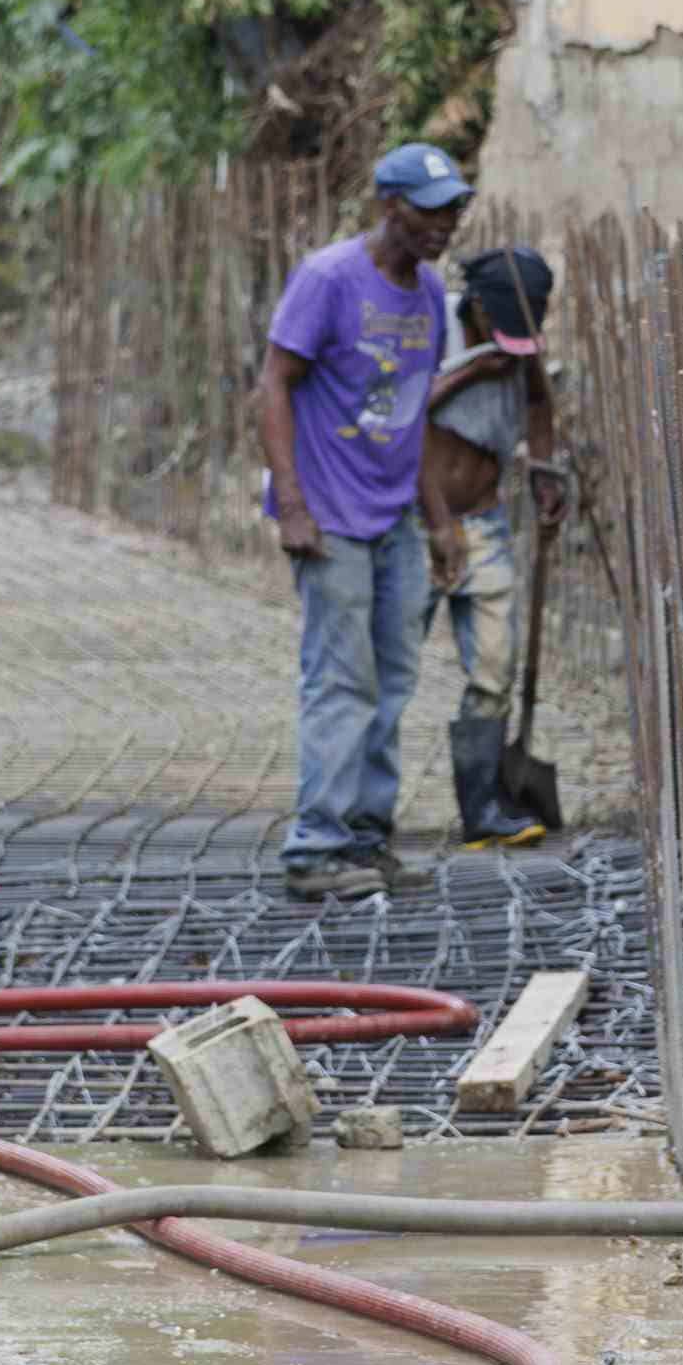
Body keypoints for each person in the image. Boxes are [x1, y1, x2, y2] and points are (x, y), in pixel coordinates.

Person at [254, 142, 472, 901]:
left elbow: (410, 418)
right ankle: (314, 848)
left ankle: (365, 835)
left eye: (454, 210)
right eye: (431, 210)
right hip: (330, 516)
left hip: (391, 517)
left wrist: (439, 520)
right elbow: (275, 385)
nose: (446, 224)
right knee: (341, 678)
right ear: (390, 207)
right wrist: (291, 503)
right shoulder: (329, 279)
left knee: (395, 677)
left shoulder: (426, 296)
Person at [426, 245, 564, 850]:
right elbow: (397, 415)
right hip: (412, 529)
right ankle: (358, 818)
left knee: (493, 669)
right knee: (381, 674)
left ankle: (481, 808)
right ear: (476, 308)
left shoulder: (520, 344)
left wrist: (543, 468)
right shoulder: (428, 326)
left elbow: (537, 401)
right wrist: (467, 373)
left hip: (482, 524)